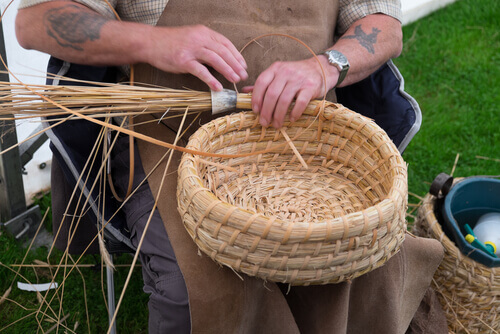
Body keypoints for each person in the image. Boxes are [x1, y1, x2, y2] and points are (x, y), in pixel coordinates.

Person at [15, 0, 447, 333]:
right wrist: (153, 42)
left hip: (309, 136)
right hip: (171, 138)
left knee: (369, 260)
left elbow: (383, 25)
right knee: (199, 289)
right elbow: (35, 21)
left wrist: (326, 65)